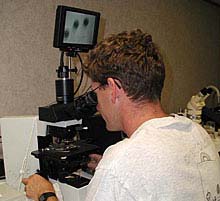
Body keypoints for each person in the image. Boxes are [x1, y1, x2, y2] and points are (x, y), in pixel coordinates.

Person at [22, 29, 220, 201]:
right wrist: (112, 174)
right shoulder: (196, 132)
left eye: (96, 91)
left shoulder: (121, 162)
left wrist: (46, 194)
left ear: (114, 89)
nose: (97, 105)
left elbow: (131, 165)